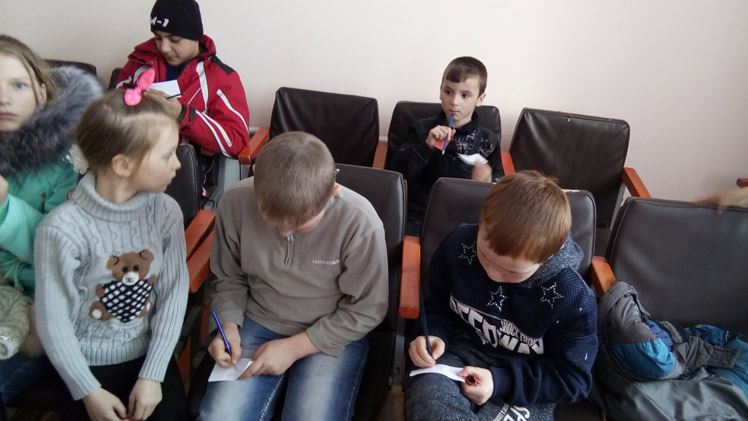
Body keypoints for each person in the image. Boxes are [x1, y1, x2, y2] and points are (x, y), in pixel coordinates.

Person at [197, 132, 389, 420]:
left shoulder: (360, 222)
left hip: (333, 328)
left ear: (332, 194)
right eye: (271, 222)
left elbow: (367, 308)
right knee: (219, 416)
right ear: (255, 175)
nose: (285, 232)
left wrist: (293, 348)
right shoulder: (234, 202)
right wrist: (229, 326)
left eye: (301, 226)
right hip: (258, 318)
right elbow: (229, 277)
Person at [33, 88, 189, 421]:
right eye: (168, 155)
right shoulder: (60, 230)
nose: (178, 164)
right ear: (123, 164)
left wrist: (153, 374)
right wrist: (88, 390)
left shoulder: (165, 212)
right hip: (84, 370)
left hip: (148, 359)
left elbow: (173, 294)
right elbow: (53, 320)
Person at [406, 171, 598, 421]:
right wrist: (432, 333)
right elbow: (438, 307)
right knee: (428, 403)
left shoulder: (572, 298)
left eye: (512, 271)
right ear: (481, 221)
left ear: (547, 257)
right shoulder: (458, 245)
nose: (493, 274)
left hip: (528, 379)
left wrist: (500, 381)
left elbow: (573, 380)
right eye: (484, 255)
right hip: (457, 354)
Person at [0, 34, 102, 406]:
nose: (3, 98)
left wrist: (4, 207)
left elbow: (60, 253)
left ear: (42, 93)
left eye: (17, 85)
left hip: (43, 307)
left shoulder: (71, 160)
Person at [116, 0, 250, 196]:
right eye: (158, 38)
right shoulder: (140, 62)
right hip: (128, 168)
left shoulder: (220, 78)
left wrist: (182, 114)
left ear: (195, 36)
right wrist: (134, 102)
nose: (164, 47)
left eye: (174, 40)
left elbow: (236, 141)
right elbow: (112, 108)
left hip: (179, 180)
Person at [390, 56, 503, 236]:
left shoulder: (488, 142)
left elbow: (501, 192)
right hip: (419, 216)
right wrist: (425, 147)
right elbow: (396, 174)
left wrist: (488, 182)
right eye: (448, 91)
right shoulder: (421, 130)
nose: (454, 101)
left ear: (480, 99)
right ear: (440, 91)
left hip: (466, 218)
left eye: (465, 95)